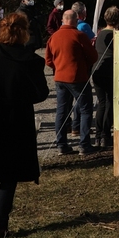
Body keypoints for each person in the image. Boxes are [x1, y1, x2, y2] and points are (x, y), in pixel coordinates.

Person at [0, 13, 49, 238]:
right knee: (9, 174)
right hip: (19, 119)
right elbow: (41, 93)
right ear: (24, 32)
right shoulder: (31, 60)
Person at [45, 9, 98, 155]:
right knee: (85, 109)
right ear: (75, 20)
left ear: (63, 20)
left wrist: (58, 66)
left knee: (61, 111)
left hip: (60, 77)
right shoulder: (79, 35)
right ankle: (84, 144)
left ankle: (61, 144)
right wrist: (84, 65)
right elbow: (93, 56)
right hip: (77, 77)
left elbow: (48, 60)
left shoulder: (54, 37)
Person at [92, 7, 119, 149]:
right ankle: (105, 135)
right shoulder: (116, 35)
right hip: (109, 71)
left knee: (101, 103)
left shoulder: (100, 33)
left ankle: (98, 136)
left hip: (97, 70)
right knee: (109, 103)